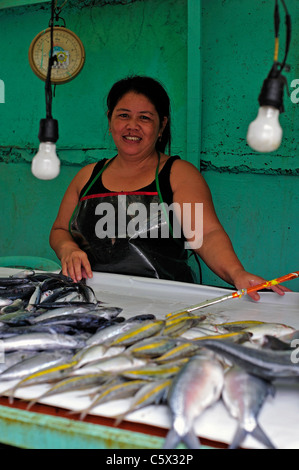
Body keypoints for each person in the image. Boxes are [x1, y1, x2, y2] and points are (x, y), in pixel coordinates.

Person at [49, 75, 288, 301]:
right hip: (92, 296)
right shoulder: (87, 176)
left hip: (164, 301)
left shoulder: (177, 174)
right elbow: (60, 229)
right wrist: (67, 248)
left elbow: (204, 235)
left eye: (144, 117)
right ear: (110, 119)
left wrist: (237, 273)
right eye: (123, 115)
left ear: (161, 125)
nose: (132, 126)